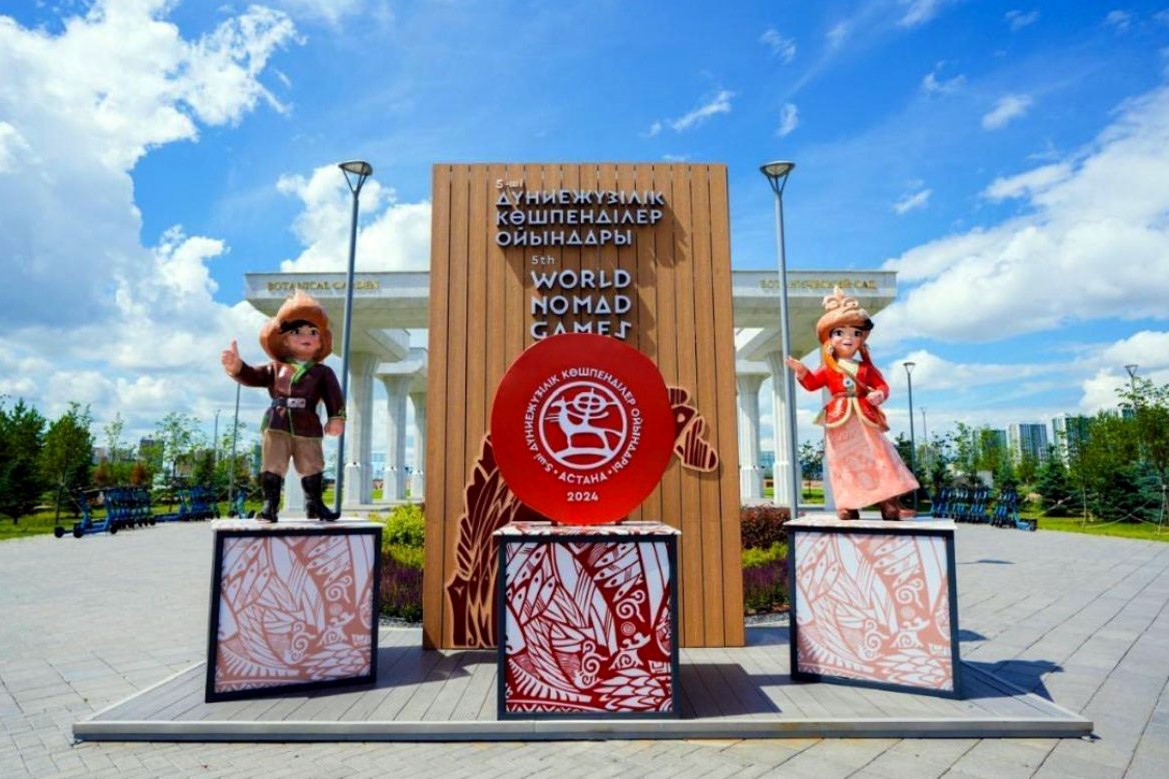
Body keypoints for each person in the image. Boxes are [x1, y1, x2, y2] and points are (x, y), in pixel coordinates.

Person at [786, 287, 918, 521]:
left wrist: (879, 394)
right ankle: (848, 504)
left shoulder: (865, 368)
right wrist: (802, 371)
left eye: (855, 333)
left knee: (879, 456)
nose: (848, 338)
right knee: (843, 461)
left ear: (861, 339)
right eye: (840, 332)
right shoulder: (829, 368)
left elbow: (882, 386)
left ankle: (889, 504)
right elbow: (813, 384)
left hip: (865, 415)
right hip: (839, 418)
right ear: (829, 339)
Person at [221, 290, 345, 522]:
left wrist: (336, 417)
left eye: (313, 332)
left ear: (321, 341)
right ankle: (270, 505)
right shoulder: (276, 368)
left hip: (307, 423)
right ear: (284, 340)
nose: (306, 336)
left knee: (312, 464)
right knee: (273, 463)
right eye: (297, 332)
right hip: (277, 422)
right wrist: (238, 368)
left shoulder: (323, 372)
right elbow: (253, 376)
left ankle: (315, 504)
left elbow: (334, 396)